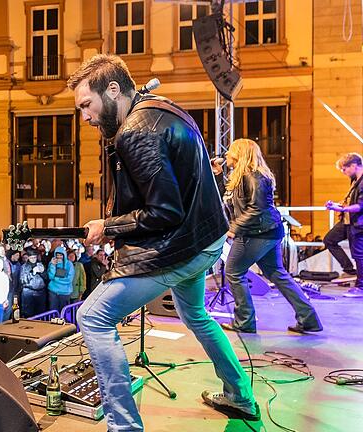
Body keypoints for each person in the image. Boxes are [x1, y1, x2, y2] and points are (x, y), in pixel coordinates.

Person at [69, 54, 259, 430]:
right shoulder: (160, 108)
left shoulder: (135, 131)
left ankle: (124, 427)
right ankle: (239, 395)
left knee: (92, 316)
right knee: (197, 315)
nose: (85, 117)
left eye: (86, 105)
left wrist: (108, 226)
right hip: (207, 239)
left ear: (112, 90)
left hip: (184, 245)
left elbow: (165, 212)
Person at [214, 139, 323, 334]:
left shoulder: (255, 176)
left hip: (257, 233)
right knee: (277, 275)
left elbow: (257, 209)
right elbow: (227, 199)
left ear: (240, 154)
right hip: (263, 232)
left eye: (230, 152)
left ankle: (245, 322)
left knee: (233, 271)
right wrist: (219, 175)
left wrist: (234, 228)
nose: (226, 156)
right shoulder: (243, 176)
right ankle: (309, 319)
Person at [324, 153, 363, 297]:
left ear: (354, 165)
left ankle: (361, 287)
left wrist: (341, 208)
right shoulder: (354, 180)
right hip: (349, 221)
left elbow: (360, 206)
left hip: (358, 223)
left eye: (344, 169)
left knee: (359, 255)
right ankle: (349, 270)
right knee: (329, 240)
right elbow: (352, 202)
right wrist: (338, 205)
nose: (343, 172)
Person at [19, 249, 47, 317]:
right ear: (28, 257)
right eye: (31, 258)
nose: (33, 259)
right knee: (28, 312)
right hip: (28, 292)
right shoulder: (24, 267)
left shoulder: (40, 264)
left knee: (40, 312)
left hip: (40, 291)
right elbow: (23, 280)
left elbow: (46, 278)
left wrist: (42, 272)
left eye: (35, 257)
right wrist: (32, 273)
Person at [46, 246, 73, 312]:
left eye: (61, 255)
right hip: (53, 291)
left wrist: (56, 279)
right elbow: (50, 276)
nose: (59, 257)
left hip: (65, 292)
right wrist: (53, 265)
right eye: (57, 255)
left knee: (64, 312)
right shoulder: (52, 263)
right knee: (53, 311)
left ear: (64, 255)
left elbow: (69, 279)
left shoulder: (69, 264)